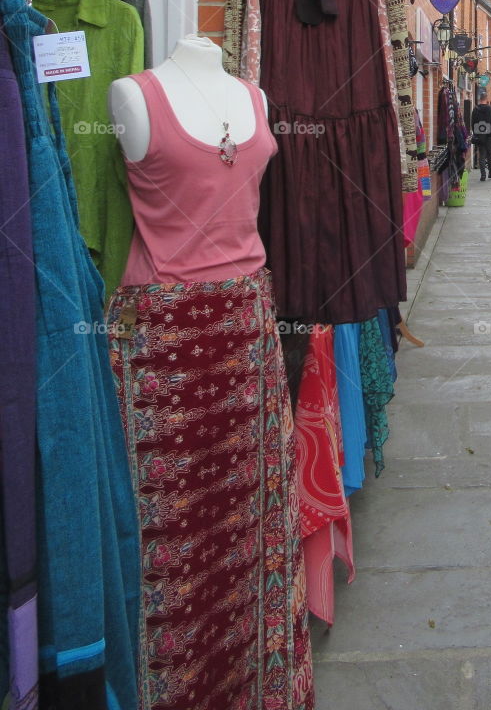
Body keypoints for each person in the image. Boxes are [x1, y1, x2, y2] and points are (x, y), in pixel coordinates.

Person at [107, 35, 314, 710]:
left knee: (253, 527)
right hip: (163, 349)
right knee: (170, 539)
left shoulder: (255, 99)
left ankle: (256, 684)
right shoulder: (132, 96)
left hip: (247, 336)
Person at [470, 97, 491, 180]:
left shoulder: (475, 109)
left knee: (482, 155)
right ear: (486, 100)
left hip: (480, 135)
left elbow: (473, 123)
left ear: (480, 100)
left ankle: (483, 175)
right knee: (489, 154)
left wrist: (476, 134)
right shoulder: (490, 109)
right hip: (490, 135)